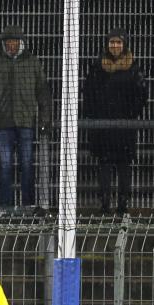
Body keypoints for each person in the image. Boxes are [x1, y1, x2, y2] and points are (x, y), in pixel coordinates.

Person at [0, 26, 52, 208]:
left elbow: (43, 93)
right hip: (3, 125)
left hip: (25, 123)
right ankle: (6, 208)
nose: (11, 46)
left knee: (26, 165)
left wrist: (44, 118)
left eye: (14, 43)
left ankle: (27, 206)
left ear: (21, 43)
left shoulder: (32, 63)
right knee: (6, 166)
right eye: (8, 43)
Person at [82, 28, 148, 215]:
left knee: (123, 165)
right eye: (112, 42)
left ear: (124, 44)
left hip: (124, 126)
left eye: (118, 42)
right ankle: (104, 206)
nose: (115, 46)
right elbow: (88, 92)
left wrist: (130, 114)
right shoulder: (97, 67)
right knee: (104, 165)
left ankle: (122, 206)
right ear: (107, 44)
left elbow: (142, 94)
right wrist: (95, 115)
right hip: (103, 126)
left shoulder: (134, 67)